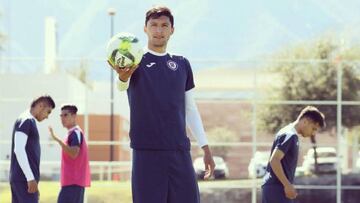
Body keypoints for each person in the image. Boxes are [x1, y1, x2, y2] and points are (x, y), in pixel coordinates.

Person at [108, 5, 216, 203]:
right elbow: (121, 85)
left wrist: (205, 148)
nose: (159, 30)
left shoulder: (182, 63)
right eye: (154, 25)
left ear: (172, 30)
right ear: (145, 28)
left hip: (179, 151)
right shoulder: (134, 61)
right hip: (146, 152)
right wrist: (122, 78)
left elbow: (190, 109)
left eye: (164, 25)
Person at [262, 106, 326, 203]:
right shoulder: (289, 135)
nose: (313, 133)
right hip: (276, 189)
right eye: (313, 128)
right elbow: (274, 160)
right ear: (306, 121)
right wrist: (287, 185)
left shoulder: (291, 135)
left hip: (279, 189)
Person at [9, 95, 55, 203]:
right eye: (48, 112)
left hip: (23, 180)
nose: (47, 116)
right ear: (40, 106)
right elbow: (19, 149)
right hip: (23, 180)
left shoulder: (29, 121)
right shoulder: (26, 120)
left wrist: (32, 180)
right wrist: (30, 178)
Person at [48, 104, 91, 203]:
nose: (62, 118)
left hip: (74, 182)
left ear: (74, 116)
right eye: (61, 116)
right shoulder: (72, 133)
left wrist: (56, 139)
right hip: (71, 182)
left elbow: (74, 153)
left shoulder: (75, 133)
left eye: (66, 115)